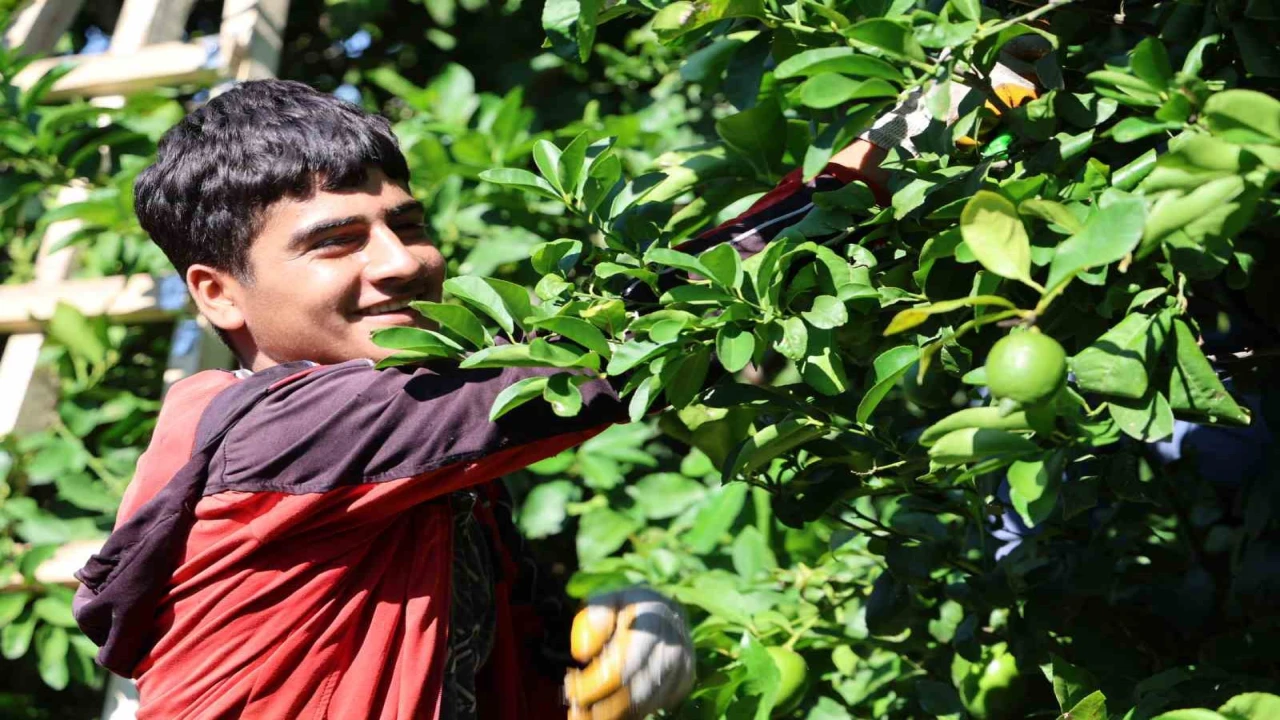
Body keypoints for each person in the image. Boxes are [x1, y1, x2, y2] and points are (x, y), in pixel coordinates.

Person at [71, 43, 1047, 719]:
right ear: (219, 295)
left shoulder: (419, 468)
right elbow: (611, 354)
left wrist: (587, 643)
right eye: (334, 243)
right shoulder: (273, 434)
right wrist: (878, 167)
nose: (399, 262)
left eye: (404, 225)